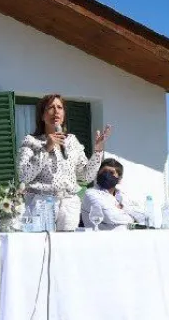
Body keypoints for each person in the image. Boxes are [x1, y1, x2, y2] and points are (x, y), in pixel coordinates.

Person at [18, 94, 111, 231]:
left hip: (69, 205)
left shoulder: (72, 141)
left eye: (60, 107)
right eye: (51, 107)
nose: (56, 111)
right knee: (41, 243)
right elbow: (23, 175)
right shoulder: (31, 141)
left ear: (64, 114)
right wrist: (46, 148)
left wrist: (98, 151)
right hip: (41, 202)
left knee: (67, 244)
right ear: (42, 115)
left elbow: (85, 177)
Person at [80, 158, 146, 230]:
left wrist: (124, 208)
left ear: (119, 179)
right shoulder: (91, 194)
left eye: (111, 173)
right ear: (98, 174)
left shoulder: (123, 195)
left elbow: (143, 217)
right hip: (101, 236)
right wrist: (133, 219)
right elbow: (111, 217)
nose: (106, 175)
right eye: (104, 171)